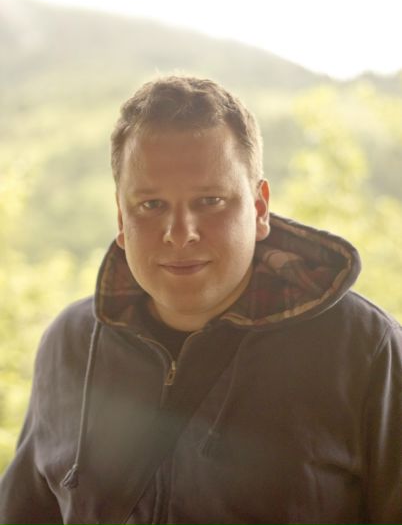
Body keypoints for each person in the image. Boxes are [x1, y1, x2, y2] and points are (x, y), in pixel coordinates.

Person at [0, 76, 401, 525]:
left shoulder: (365, 350)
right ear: (120, 217)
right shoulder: (69, 345)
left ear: (259, 208)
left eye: (210, 201)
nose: (180, 233)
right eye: (151, 205)